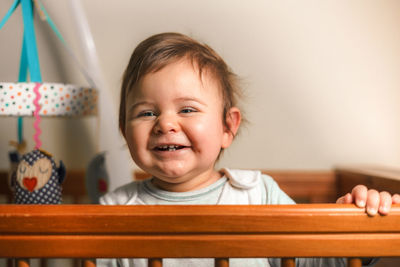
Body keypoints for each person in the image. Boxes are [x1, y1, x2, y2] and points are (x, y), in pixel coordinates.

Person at [99, 32, 400, 267]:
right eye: (147, 113)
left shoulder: (259, 194)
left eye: (187, 109)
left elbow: (313, 261)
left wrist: (358, 227)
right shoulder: (113, 211)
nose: (165, 123)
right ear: (125, 132)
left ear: (228, 128)